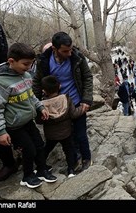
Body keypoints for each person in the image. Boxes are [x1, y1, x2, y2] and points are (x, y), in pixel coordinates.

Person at [0, 43, 57, 189]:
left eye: (31, 64)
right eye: (25, 64)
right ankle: (27, 176)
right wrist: (0, 131)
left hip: (28, 120)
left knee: (39, 145)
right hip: (14, 126)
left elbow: (30, 95)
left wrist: (40, 106)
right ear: (11, 61)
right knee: (29, 150)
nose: (28, 68)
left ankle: (42, 170)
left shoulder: (25, 75)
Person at [33, 32, 94, 171]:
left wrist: (86, 100)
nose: (69, 53)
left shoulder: (77, 57)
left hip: (76, 100)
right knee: (67, 135)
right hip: (57, 104)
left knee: (81, 134)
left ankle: (86, 158)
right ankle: (74, 159)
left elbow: (87, 77)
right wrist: (36, 105)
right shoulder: (44, 61)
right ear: (55, 49)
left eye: (70, 49)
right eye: (65, 51)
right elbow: (37, 83)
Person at [36, 75, 85, 178]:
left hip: (51, 134)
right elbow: (74, 114)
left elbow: (39, 121)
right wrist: (83, 109)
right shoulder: (66, 99)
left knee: (47, 149)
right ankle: (71, 170)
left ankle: (39, 167)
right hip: (66, 132)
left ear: (44, 91)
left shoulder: (42, 105)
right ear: (59, 86)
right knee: (68, 150)